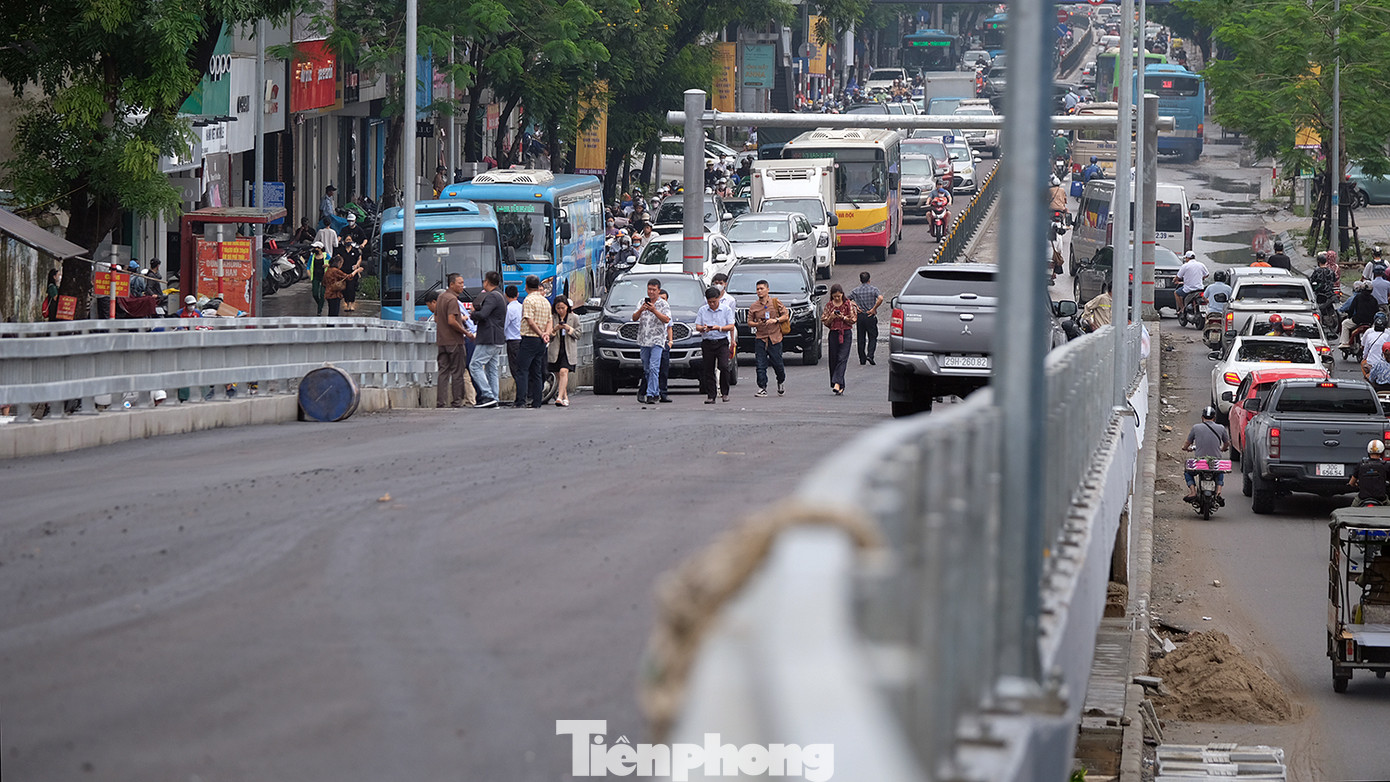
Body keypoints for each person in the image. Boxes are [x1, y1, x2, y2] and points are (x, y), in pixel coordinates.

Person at [468, 270, 507, 409]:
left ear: (487, 282)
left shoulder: (492, 296)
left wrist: (473, 314)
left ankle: (488, 395)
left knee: (475, 365)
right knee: (491, 369)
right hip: (498, 337)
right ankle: (494, 398)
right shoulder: (501, 295)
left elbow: (483, 314)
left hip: (489, 337)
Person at [632, 278, 671, 404]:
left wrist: (654, 310)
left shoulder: (663, 304)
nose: (651, 292)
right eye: (649, 289)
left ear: (659, 290)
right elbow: (634, 318)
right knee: (647, 368)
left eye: (654, 290)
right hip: (644, 339)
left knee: (654, 367)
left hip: (657, 340)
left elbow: (667, 319)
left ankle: (650, 394)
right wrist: (641, 310)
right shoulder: (641, 302)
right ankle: (655, 392)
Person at [516, 275, 552, 409]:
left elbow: (530, 321)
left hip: (530, 338)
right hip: (541, 341)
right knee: (537, 371)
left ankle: (521, 400)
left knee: (522, 370)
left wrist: (540, 333)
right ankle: (537, 401)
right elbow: (550, 320)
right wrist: (546, 334)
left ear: (526, 286)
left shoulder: (528, 300)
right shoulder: (545, 301)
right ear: (538, 286)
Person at [695, 285, 735, 404]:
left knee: (724, 366)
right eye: (710, 302)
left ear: (718, 299)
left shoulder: (726, 309)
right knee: (708, 369)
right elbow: (697, 326)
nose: (712, 304)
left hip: (721, 341)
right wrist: (703, 328)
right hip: (708, 342)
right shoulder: (702, 310)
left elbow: (731, 326)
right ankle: (711, 395)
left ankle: (725, 392)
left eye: (714, 301)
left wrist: (719, 328)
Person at [748, 279, 789, 397]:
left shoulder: (775, 302)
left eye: (762, 288)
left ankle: (780, 381)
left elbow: (785, 315)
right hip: (761, 337)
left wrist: (775, 320)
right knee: (760, 364)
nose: (759, 291)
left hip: (775, 337)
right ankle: (762, 387)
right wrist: (757, 324)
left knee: (777, 363)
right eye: (757, 289)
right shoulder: (754, 306)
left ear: (767, 289)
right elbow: (749, 322)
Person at [1182, 406, 1230, 504]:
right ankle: (1218, 493)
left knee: (1187, 472)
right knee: (1220, 472)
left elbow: (1188, 442)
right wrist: (1223, 449)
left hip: (1200, 461)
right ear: (1214, 418)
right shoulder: (1221, 428)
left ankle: (1193, 492)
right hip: (1214, 461)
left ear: (1202, 417)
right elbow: (1226, 443)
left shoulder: (1196, 427)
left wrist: (1185, 448)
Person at [435, 273, 470, 408]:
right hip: (454, 341)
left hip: (442, 340)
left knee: (443, 372)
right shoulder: (452, 300)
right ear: (451, 284)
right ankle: (457, 401)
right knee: (457, 372)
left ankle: (441, 402)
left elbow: (437, 318)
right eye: (460, 283)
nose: (462, 286)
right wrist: (465, 332)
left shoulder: (441, 297)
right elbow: (451, 321)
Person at [822, 283, 857, 395]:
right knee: (834, 359)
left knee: (842, 358)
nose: (837, 298)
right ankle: (839, 385)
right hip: (833, 334)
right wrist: (832, 317)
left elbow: (853, 319)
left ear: (842, 294)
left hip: (846, 333)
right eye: (835, 296)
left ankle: (837, 383)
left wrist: (843, 317)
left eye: (839, 296)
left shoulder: (848, 304)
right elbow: (825, 321)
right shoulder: (829, 306)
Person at [548, 297, 582, 407]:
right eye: (558, 308)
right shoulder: (552, 318)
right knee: (559, 375)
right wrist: (555, 329)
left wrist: (569, 329)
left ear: (567, 307)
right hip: (555, 349)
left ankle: (559, 397)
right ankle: (565, 397)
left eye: (563, 308)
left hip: (568, 349)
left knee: (564, 371)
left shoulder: (574, 318)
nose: (561, 310)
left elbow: (579, 334)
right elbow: (548, 335)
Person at [849, 271, 883, 365]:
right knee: (872, 336)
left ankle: (862, 359)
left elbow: (845, 299)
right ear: (869, 280)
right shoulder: (873, 289)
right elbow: (880, 298)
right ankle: (870, 355)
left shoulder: (856, 291)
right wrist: (874, 308)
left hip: (860, 316)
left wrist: (855, 305)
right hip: (870, 315)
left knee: (861, 338)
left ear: (860, 280)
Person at [1338, 280, 1379, 348]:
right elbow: (1376, 311)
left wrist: (1350, 316)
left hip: (1357, 320)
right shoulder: (1374, 299)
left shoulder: (1357, 297)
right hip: (1370, 321)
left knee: (1344, 324)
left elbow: (1351, 309)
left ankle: (1345, 343)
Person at [1350, 440, 1390, 505]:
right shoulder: (1386, 465)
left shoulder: (1361, 464)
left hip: (1362, 498)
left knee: (1352, 508)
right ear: (1382, 451)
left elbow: (1351, 483)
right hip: (1381, 499)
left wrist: (1356, 485)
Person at [1173, 250, 1209, 317]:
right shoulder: (1201, 265)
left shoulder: (1185, 266)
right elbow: (1207, 274)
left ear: (1187, 258)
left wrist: (1174, 280)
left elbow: (1178, 276)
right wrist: (1202, 277)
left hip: (1189, 289)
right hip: (1200, 288)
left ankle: (1182, 309)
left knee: (1176, 293)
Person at [503, 285, 523, 404]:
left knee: (515, 369)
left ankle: (520, 397)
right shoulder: (522, 307)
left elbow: (505, 325)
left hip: (513, 341)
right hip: (523, 340)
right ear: (517, 294)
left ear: (506, 295)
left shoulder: (509, 309)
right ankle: (524, 395)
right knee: (523, 369)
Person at [339, 234, 363, 312]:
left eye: (350, 240)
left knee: (351, 288)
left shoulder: (355, 250)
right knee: (345, 289)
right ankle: (346, 304)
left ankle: (351, 304)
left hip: (353, 273)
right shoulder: (341, 250)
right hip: (343, 273)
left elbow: (359, 258)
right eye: (347, 240)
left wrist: (357, 265)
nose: (348, 241)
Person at [308, 241, 329, 316]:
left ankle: (319, 310)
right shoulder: (312, 256)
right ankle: (320, 304)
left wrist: (327, 265)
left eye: (316, 248)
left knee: (322, 294)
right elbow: (308, 266)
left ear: (320, 248)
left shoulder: (326, 256)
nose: (315, 249)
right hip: (315, 276)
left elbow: (332, 263)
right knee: (315, 293)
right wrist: (309, 274)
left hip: (324, 277)